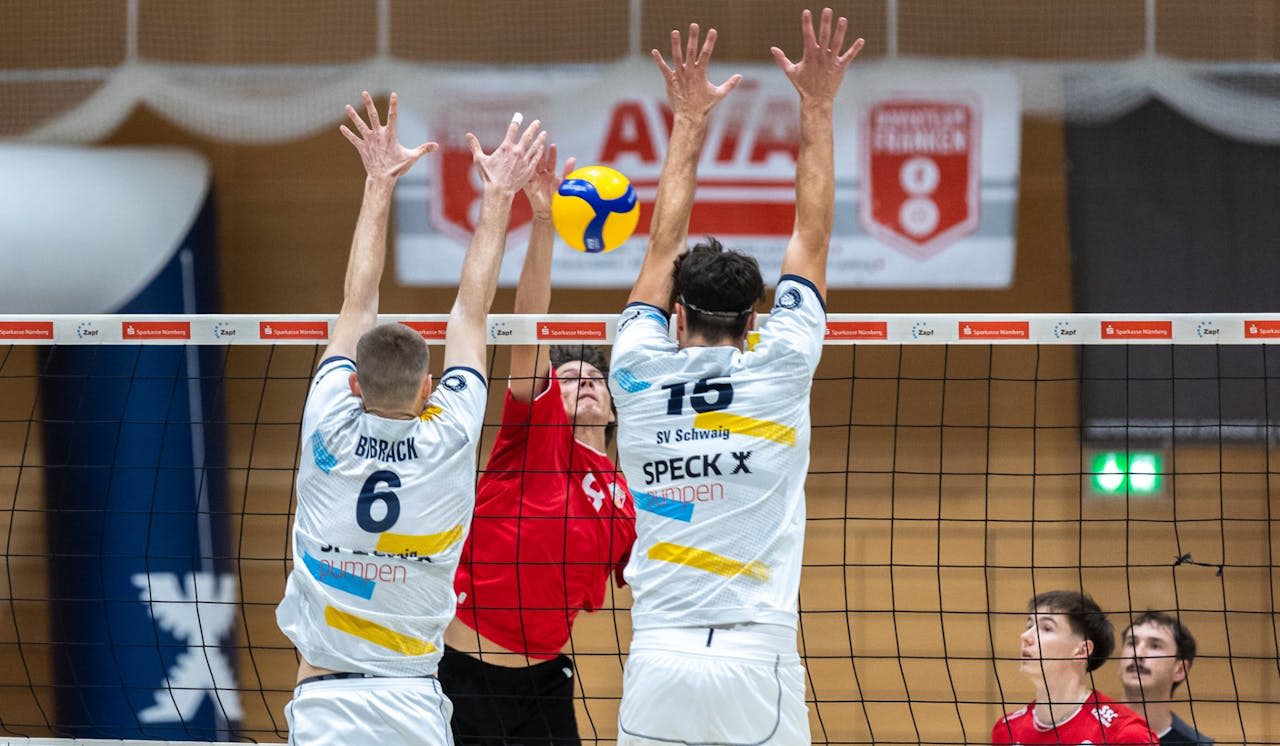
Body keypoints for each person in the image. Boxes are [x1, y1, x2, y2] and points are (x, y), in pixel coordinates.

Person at [605, 9, 863, 745]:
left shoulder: (635, 368)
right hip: (757, 653)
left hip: (659, 653)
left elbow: (661, 250)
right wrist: (817, 105)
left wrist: (688, 119)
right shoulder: (781, 364)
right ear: (754, 320)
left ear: (676, 318)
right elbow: (810, 237)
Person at [275, 91, 546, 746]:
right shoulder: (450, 434)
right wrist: (499, 194)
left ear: (354, 385)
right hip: (414, 706)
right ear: (429, 388)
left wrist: (379, 181)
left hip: (326, 703)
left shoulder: (327, 422)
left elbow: (357, 303)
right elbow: (471, 314)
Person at [439, 145, 637, 745]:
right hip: (463, 674)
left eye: (594, 377)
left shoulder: (630, 499)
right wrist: (545, 220)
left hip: (544, 685)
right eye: (568, 377)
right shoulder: (536, 428)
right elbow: (530, 322)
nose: (583, 382)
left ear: (614, 406)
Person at [992, 590, 1159, 744]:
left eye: (1046, 628)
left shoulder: (1125, 733)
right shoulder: (1007, 730)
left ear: (1082, 650)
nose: (1025, 636)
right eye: (1029, 626)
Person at [1120, 611, 1215, 745]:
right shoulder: (1090, 721)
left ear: (1180, 670)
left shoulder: (1195, 744)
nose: (1137, 654)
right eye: (1132, 643)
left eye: (1155, 646)